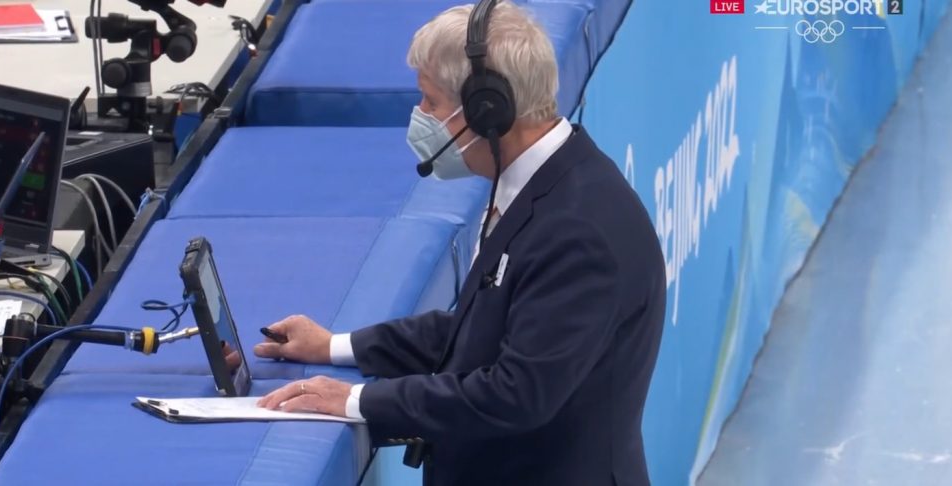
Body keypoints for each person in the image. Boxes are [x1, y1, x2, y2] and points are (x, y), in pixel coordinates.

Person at [255, 1, 666, 485]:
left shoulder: (579, 233)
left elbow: (516, 393)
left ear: (487, 111)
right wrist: (334, 346)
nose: (419, 115)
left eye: (430, 101)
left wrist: (355, 400)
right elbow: (478, 329)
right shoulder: (543, 186)